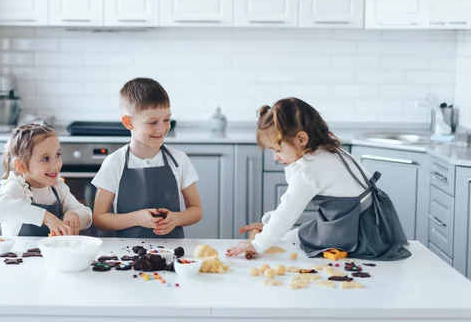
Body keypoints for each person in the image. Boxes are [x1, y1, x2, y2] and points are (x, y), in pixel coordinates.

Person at [226, 97, 411, 261]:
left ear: (301, 140)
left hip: (360, 233)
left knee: (292, 240)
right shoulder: (328, 152)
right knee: (294, 236)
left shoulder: (308, 169)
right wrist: (269, 225)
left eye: (277, 150)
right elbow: (286, 210)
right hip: (371, 222)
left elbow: (288, 210)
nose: (275, 156)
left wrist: (258, 244)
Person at [92, 77, 203, 238]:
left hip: (173, 253)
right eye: (152, 122)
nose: (162, 128)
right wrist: (136, 219)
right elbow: (99, 218)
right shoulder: (114, 163)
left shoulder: (179, 160)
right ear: (128, 122)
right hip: (127, 255)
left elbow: (196, 210)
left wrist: (177, 218)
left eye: (166, 119)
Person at [0, 123, 92, 237]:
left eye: (58, 155)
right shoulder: (17, 186)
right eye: (45, 159)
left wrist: (74, 215)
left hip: (50, 253)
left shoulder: (58, 188)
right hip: (18, 254)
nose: (56, 164)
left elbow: (87, 215)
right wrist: (46, 217)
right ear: (21, 166)